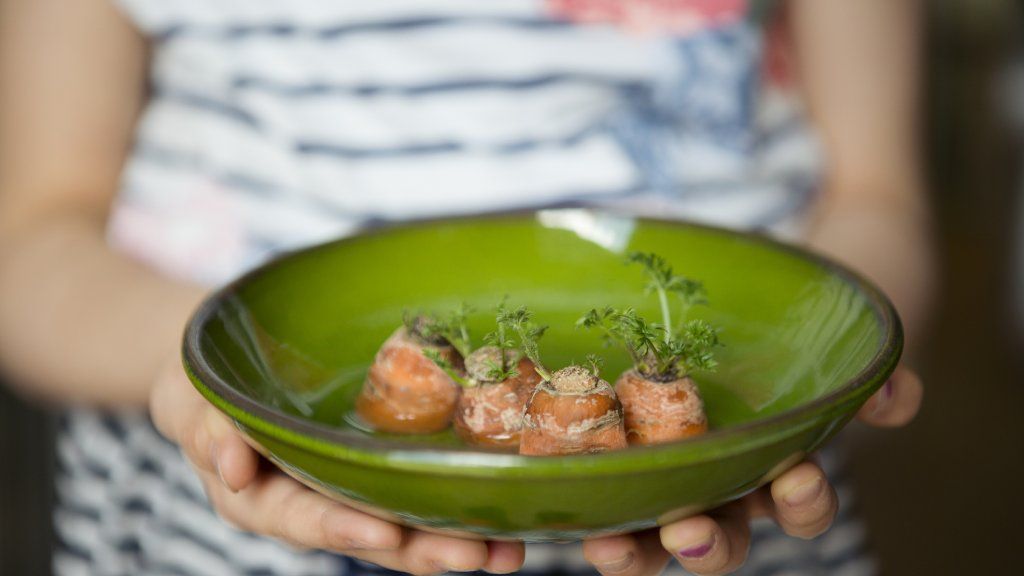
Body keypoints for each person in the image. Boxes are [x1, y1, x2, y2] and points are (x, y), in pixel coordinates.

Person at [0, 0, 929, 574]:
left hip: (728, 488)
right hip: (230, 524)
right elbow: (31, 249)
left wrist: (824, 356)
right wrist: (206, 373)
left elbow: (878, 196)